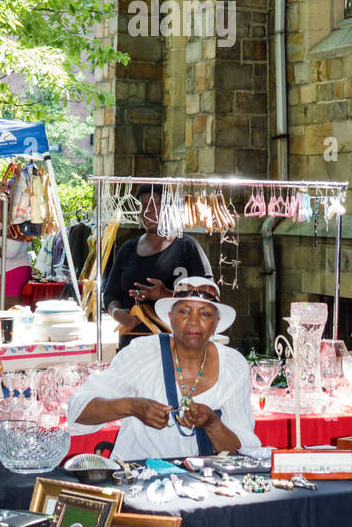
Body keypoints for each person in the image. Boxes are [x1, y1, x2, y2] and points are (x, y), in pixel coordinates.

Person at [68, 276, 260, 460]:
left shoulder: (234, 365)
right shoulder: (142, 353)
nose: (193, 321)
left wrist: (212, 424)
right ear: (170, 317)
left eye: (205, 313)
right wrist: (131, 406)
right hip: (136, 475)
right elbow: (78, 410)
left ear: (216, 323)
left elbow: (245, 449)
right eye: (184, 311)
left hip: (203, 483)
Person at [103, 185, 212, 347]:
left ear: (169, 209)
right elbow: (111, 295)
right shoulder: (127, 249)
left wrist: (166, 294)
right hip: (132, 346)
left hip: (177, 346)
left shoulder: (187, 247)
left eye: (155, 205)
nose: (148, 211)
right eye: (143, 206)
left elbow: (209, 295)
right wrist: (117, 313)